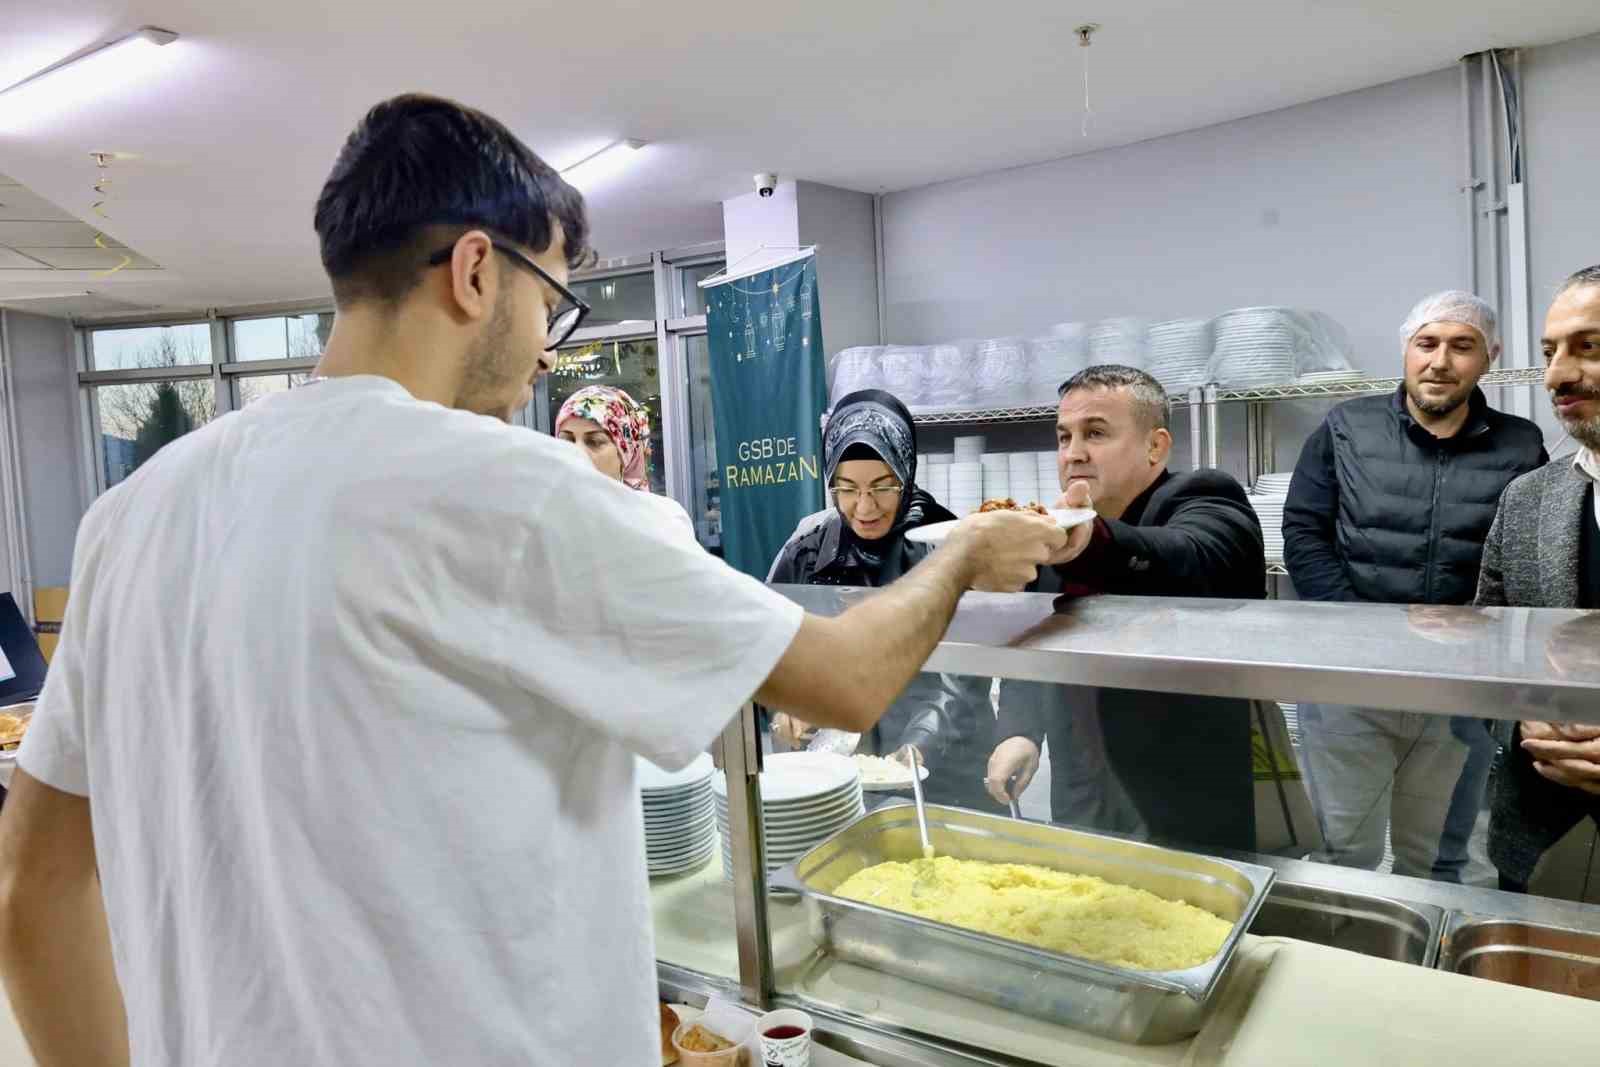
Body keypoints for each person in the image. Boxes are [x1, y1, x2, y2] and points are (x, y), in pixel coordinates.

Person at [0, 95, 1079, 1067]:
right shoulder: (511, 489)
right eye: (551, 301)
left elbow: (32, 890)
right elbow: (844, 678)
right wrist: (965, 555)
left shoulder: (131, 514)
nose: (548, 349)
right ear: (477, 271)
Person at [1282, 290, 1546, 882]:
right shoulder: (1346, 427)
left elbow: (1530, 555)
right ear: (1406, 350)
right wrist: (1362, 627)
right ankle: (1343, 964)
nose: (1440, 361)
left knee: (1439, 860)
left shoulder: (1520, 443)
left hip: (1458, 691)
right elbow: (1304, 531)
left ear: (1489, 358)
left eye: (1462, 346)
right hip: (1350, 680)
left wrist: (1480, 623)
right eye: (1427, 344)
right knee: (1343, 853)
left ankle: (1429, 968)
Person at [987, 365, 1265, 852]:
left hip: (1182, 797)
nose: (1073, 453)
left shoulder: (1202, 497)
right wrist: (1020, 731)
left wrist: (1093, 541)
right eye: (1063, 436)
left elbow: (1192, 557)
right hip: (1082, 791)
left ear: (1155, 446)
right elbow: (1037, 634)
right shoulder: (1063, 527)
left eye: (1095, 433)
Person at [767, 389, 998, 811]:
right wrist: (786, 707)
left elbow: (965, 680)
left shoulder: (945, 546)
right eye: (848, 488)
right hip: (835, 779)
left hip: (944, 777)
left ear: (906, 473)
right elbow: (776, 645)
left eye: (882, 487)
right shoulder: (807, 548)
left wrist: (919, 745)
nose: (864, 506)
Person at [1475, 264, 1600, 892]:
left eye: (1590, 347)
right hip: (1537, 828)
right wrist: (1526, 721)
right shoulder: (1527, 498)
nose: (1556, 376)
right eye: (1551, 352)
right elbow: (1493, 652)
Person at [556, 383, 696, 541]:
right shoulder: (545, 522)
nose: (577, 452)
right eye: (567, 441)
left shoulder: (663, 521)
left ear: (628, 453)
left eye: (594, 441)